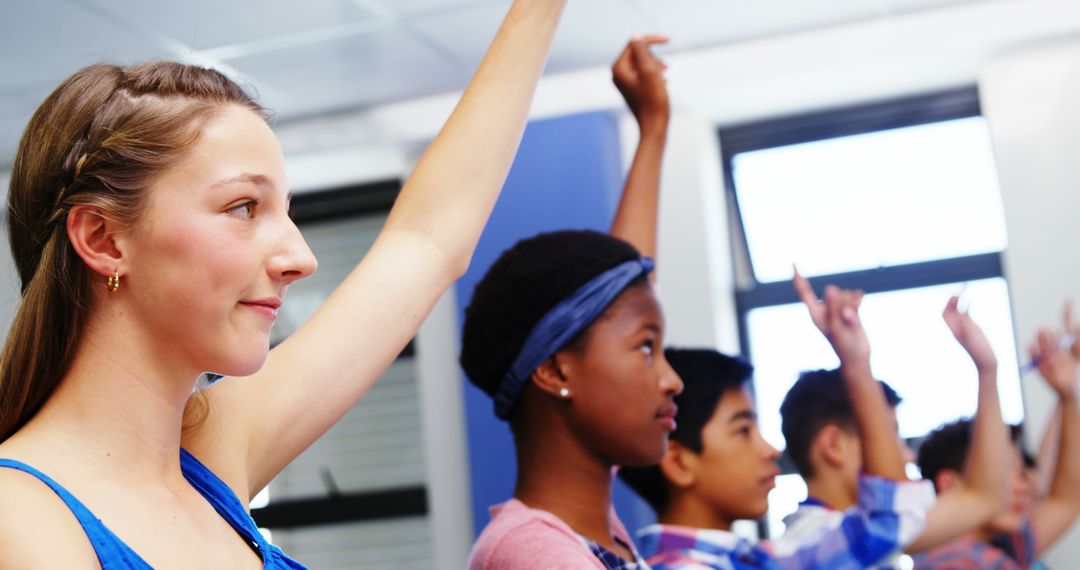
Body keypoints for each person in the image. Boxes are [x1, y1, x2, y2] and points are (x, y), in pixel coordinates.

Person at [0, 1, 568, 567]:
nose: (301, 258)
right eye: (244, 207)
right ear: (102, 239)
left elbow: (427, 241)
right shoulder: (20, 517)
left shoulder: (205, 456)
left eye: (286, 212)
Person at [462, 36, 676, 569]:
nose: (672, 379)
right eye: (647, 350)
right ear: (558, 369)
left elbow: (622, 288)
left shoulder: (593, 531)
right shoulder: (533, 551)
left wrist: (652, 130)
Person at [617, 275, 937, 569]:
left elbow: (889, 522)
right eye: (743, 430)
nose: (770, 450)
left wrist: (855, 362)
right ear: (679, 463)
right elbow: (890, 521)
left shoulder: (755, 559)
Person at [779, 296, 1009, 567]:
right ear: (834, 445)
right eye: (890, 435)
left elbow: (982, 498)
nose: (908, 456)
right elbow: (980, 499)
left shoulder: (868, 530)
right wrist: (857, 364)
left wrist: (987, 371)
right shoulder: (815, 544)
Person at [914, 327, 1080, 569]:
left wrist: (1068, 395)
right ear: (949, 484)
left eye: (1021, 472)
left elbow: (1066, 500)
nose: (1024, 485)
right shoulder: (952, 561)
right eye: (1005, 471)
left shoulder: (1004, 546)